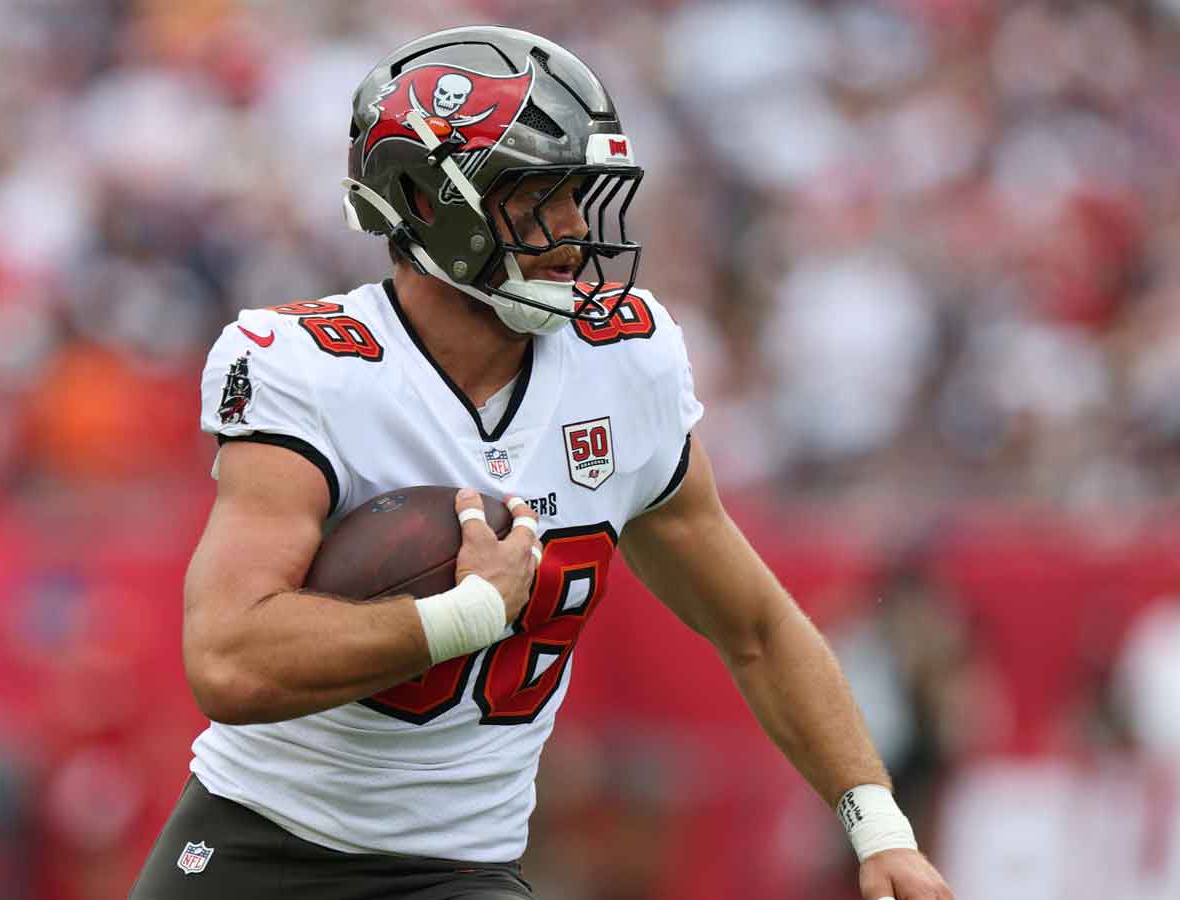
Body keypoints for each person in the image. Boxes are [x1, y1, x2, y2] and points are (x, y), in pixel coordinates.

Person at [131, 26, 954, 900]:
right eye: (538, 197)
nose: (573, 230)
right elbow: (228, 660)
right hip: (255, 845)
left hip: (458, 871)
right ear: (426, 201)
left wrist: (878, 825)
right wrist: (468, 613)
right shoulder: (314, 367)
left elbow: (755, 627)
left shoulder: (622, 364)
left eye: (579, 196)